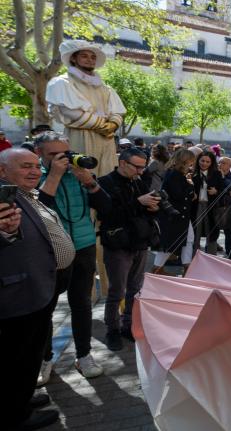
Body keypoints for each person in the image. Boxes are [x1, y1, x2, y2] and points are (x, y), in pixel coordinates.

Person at [0, 148, 74, 431]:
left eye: (36, 166)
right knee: (16, 358)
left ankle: (22, 399)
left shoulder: (24, 193)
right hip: (17, 292)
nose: (34, 171)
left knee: (30, 354)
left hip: (38, 289)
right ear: (3, 171)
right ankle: (16, 416)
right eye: (24, 166)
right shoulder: (4, 196)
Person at [34, 132, 107, 382]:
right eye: (53, 154)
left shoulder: (77, 173)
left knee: (82, 304)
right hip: (51, 251)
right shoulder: (34, 176)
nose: (61, 158)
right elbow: (39, 207)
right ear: (39, 154)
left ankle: (84, 355)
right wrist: (53, 175)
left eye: (64, 152)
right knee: (46, 308)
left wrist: (90, 182)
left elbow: (106, 206)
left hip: (84, 245)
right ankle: (45, 359)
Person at [93, 149, 159, 350]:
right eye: (137, 166)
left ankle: (127, 326)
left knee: (135, 289)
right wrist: (138, 202)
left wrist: (154, 207)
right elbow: (108, 215)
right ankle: (112, 330)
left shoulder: (138, 181)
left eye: (143, 166)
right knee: (116, 291)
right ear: (122, 163)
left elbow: (144, 211)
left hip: (139, 242)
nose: (140, 171)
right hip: (117, 244)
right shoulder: (105, 183)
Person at [45, 40, 126, 177]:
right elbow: (68, 111)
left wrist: (113, 124)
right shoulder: (62, 82)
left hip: (106, 139)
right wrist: (102, 125)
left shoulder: (105, 88)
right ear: (73, 58)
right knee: (81, 174)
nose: (90, 60)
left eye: (93, 57)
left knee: (106, 176)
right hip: (79, 137)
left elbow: (117, 110)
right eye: (84, 56)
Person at [155, 149, 196, 268]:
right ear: (184, 161)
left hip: (180, 215)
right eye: (191, 162)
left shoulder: (176, 174)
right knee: (169, 244)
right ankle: (157, 268)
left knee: (188, 239)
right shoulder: (174, 174)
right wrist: (190, 186)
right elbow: (178, 194)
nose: (192, 164)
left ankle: (186, 266)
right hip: (174, 215)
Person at [191, 151, 225, 254]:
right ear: (198, 161)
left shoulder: (217, 174)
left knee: (212, 232)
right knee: (195, 232)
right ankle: (194, 257)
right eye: (202, 161)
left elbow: (223, 190)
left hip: (211, 206)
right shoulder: (192, 173)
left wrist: (216, 191)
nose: (204, 163)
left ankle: (211, 257)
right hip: (196, 206)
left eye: (207, 161)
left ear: (211, 163)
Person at [217, 157, 231, 259]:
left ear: (230, 166)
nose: (220, 165)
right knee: (213, 232)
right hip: (215, 207)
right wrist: (227, 191)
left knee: (229, 232)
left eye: (223, 163)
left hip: (229, 209)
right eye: (219, 162)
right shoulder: (214, 176)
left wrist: (222, 178)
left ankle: (230, 252)